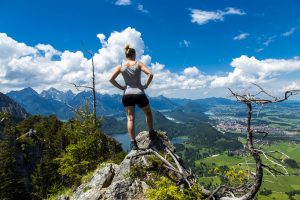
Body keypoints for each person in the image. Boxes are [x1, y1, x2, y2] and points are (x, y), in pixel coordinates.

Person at [109, 44, 157, 150]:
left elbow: (111, 79)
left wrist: (122, 88)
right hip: (139, 93)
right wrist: (146, 85)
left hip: (127, 95)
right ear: (134, 54)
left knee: (130, 119)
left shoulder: (121, 66)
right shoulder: (138, 64)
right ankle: (151, 132)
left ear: (126, 55)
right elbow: (151, 74)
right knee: (148, 113)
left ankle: (133, 143)